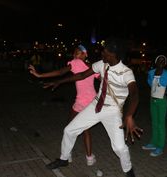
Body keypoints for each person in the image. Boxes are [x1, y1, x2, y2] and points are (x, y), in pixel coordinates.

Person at [43, 37, 143, 177]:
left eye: (105, 53)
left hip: (112, 111)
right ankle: (63, 159)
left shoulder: (126, 73)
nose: (102, 55)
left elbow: (134, 94)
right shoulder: (101, 64)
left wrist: (129, 115)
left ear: (114, 55)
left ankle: (128, 170)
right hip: (96, 105)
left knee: (119, 148)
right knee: (69, 130)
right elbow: (82, 75)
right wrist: (59, 81)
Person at [28, 44, 99, 166]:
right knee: (85, 130)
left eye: (77, 52)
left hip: (81, 101)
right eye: (74, 53)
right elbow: (102, 79)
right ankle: (89, 158)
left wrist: (40, 75)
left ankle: (68, 155)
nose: (74, 55)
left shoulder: (76, 62)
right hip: (92, 101)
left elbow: (61, 72)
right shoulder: (91, 67)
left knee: (70, 128)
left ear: (84, 54)